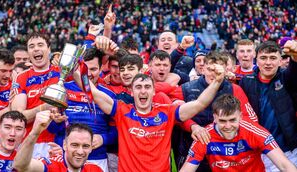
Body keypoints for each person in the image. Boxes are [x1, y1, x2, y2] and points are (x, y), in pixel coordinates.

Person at [72, 52, 225, 172]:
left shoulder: (167, 111)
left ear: (153, 92)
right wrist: (75, 69)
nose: (142, 91)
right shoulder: (121, 110)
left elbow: (200, 103)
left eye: (147, 87)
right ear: (132, 91)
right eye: (138, 87)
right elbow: (91, 90)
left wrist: (217, 81)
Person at [180, 94, 297, 172]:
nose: (228, 126)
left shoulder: (255, 132)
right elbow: (187, 169)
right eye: (222, 121)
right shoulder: (205, 136)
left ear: (240, 117)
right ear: (214, 118)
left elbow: (284, 165)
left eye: (232, 120)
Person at [54, 47, 117, 172]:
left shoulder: (108, 95)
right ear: (78, 69)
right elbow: (51, 129)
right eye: (84, 69)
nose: (87, 74)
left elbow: (117, 132)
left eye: (93, 69)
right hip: (66, 159)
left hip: (97, 159)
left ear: (100, 69)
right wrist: (56, 122)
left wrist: (103, 139)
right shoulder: (62, 89)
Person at [240, 40, 297, 171]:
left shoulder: (287, 78)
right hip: (259, 150)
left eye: (273, 58)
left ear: (280, 60)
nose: (268, 63)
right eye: (263, 58)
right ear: (256, 59)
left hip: (289, 150)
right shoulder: (246, 82)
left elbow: (295, 69)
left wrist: (295, 56)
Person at [11, 32, 59, 159]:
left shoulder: (61, 72)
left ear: (49, 49)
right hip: (30, 142)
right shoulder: (22, 77)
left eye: (40, 45)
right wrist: (44, 108)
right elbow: (18, 116)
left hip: (57, 142)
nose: (36, 48)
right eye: (31, 46)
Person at [13, 111, 102, 172]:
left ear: (91, 147)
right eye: (75, 145)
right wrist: (35, 133)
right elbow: (20, 167)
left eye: (85, 146)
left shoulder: (94, 169)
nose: (80, 151)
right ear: (64, 145)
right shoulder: (52, 165)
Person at [0, 49, 15, 135]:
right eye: (3, 71)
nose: (8, 75)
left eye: (11, 70)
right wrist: (9, 109)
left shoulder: (16, 81)